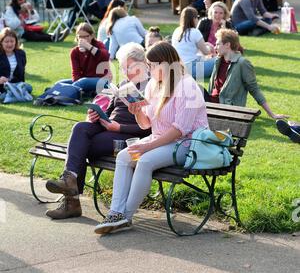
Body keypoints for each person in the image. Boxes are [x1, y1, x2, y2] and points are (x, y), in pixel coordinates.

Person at [93, 41, 209, 234]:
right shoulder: (154, 85)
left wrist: (148, 147)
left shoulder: (187, 86)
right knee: (123, 156)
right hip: (161, 139)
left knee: (144, 160)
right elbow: (146, 124)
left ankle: (125, 216)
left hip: (186, 144)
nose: (149, 69)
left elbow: (180, 129)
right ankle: (115, 212)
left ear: (166, 64)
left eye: (153, 65)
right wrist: (137, 111)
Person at [44, 42, 151, 219]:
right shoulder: (124, 83)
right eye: (123, 68)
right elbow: (109, 111)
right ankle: (69, 179)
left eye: (129, 67)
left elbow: (150, 128)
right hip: (109, 128)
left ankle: (71, 201)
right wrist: (96, 116)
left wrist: (120, 127)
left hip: (129, 135)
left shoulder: (151, 86)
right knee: (80, 127)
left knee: (82, 147)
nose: (125, 72)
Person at [206, 29, 288, 119]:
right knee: (194, 87)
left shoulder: (242, 63)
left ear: (227, 45)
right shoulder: (218, 61)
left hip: (226, 107)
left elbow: (254, 89)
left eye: (218, 44)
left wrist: (271, 114)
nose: (215, 47)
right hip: (211, 102)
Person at [58, 23, 110, 96]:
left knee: (83, 82)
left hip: (102, 80)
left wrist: (89, 47)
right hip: (84, 80)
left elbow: (106, 56)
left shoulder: (98, 45)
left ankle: (66, 94)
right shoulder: (75, 52)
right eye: (80, 37)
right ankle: (86, 92)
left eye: (86, 36)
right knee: (59, 83)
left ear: (92, 36)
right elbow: (75, 73)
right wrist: (77, 83)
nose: (82, 39)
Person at [172, 6, 216, 79]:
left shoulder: (177, 30)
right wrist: (210, 47)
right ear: (194, 19)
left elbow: (188, 47)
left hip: (178, 68)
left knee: (201, 57)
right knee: (218, 60)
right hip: (191, 69)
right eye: (197, 17)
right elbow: (205, 52)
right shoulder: (194, 32)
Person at [0, 28, 32, 100]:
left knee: (29, 87)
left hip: (15, 84)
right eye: (6, 42)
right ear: (1, 42)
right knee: (3, 95)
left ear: (16, 42)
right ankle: (13, 94)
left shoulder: (21, 54)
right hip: (2, 86)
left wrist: (20, 85)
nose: (10, 44)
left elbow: (22, 74)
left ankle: (13, 93)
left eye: (12, 41)